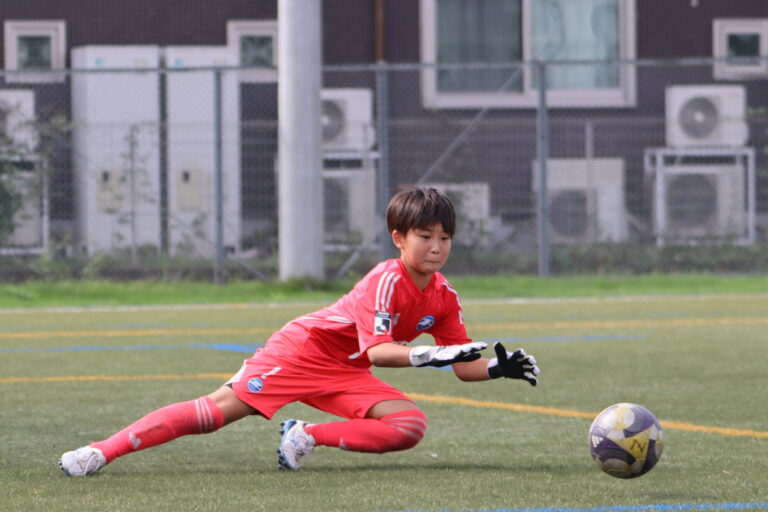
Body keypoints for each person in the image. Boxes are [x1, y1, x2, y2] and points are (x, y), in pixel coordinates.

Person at [59, 186, 540, 476]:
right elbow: (379, 352)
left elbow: (463, 366)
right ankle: (100, 451)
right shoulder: (385, 279)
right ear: (399, 238)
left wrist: (498, 368)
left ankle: (305, 435)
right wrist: (429, 356)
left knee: (409, 426)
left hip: (344, 372)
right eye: (425, 236)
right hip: (301, 352)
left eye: (445, 237)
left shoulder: (444, 296)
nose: (437, 247)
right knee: (212, 414)